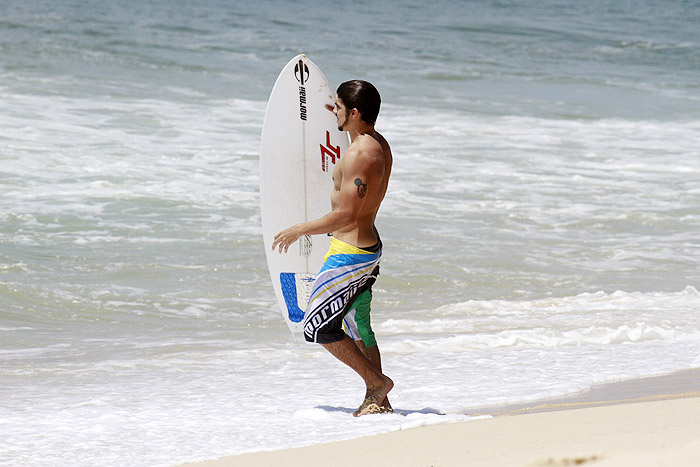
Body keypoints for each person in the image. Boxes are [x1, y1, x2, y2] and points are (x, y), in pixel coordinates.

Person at [271, 80, 394, 416]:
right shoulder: (376, 144)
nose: (334, 111)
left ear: (354, 112)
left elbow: (346, 214)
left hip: (350, 255)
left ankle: (376, 384)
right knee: (357, 325)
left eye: (339, 107)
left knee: (318, 327)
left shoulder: (360, 155)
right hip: (365, 247)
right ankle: (380, 404)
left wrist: (300, 229)